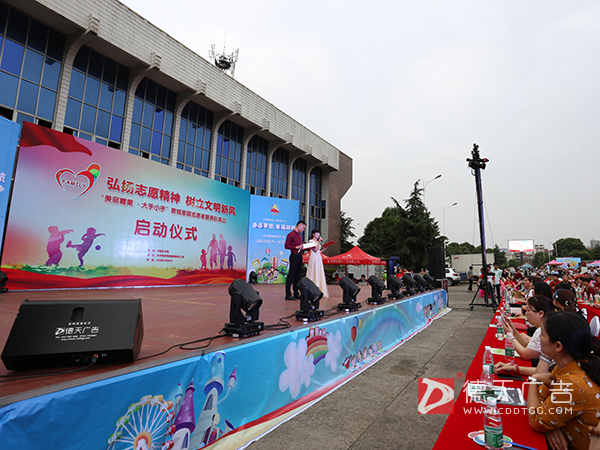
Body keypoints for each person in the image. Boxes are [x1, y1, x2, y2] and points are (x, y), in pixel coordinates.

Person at [527, 311, 600, 450]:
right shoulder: (570, 366)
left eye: (542, 334)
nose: (539, 337)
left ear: (558, 346)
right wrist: (551, 426)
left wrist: (533, 380)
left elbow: (536, 420)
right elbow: (542, 400)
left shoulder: (573, 383)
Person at [284, 220, 306, 300]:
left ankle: (296, 293)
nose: (303, 230)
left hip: (300, 255)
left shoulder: (299, 236)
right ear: (299, 225)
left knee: (297, 275)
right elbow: (286, 246)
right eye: (303, 228)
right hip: (294, 255)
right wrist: (296, 247)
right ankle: (288, 294)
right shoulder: (291, 234)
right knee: (291, 274)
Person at [306, 229, 329, 297]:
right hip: (314, 258)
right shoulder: (311, 241)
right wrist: (319, 242)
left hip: (318, 257)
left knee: (319, 271)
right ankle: (312, 289)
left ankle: (320, 289)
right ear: (313, 234)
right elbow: (315, 250)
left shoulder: (317, 242)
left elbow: (318, 252)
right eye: (317, 233)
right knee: (314, 271)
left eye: (319, 233)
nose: (318, 235)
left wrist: (324, 249)